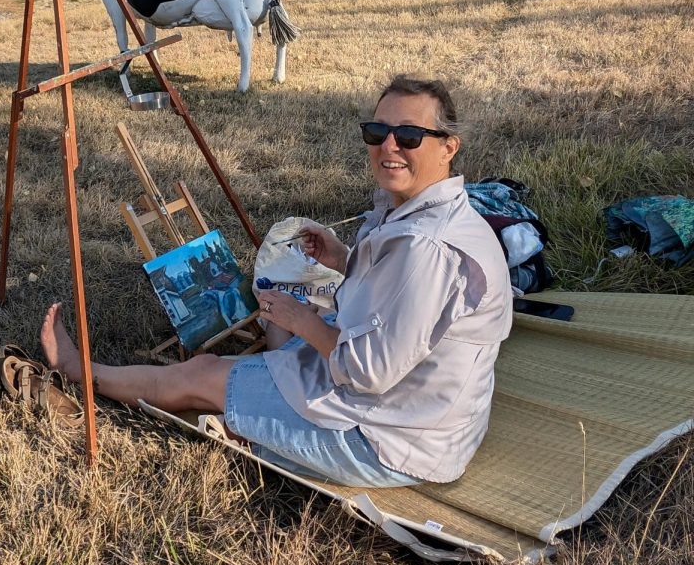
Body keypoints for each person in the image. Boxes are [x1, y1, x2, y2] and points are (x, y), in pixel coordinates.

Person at [41, 76, 513, 487]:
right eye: (377, 131)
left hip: (390, 440)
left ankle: (80, 372)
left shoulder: (426, 247)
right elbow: (401, 302)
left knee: (199, 374)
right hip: (433, 419)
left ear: (449, 146)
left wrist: (303, 320)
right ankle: (254, 397)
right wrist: (344, 260)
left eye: (409, 135)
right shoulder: (434, 212)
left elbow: (368, 373)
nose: (389, 146)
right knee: (281, 344)